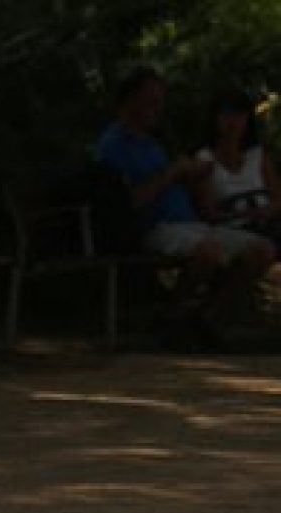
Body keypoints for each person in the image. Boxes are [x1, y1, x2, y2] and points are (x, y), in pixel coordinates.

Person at [96, 66, 275, 341]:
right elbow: (128, 201)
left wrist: (190, 175)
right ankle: (170, 315)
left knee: (261, 250)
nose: (157, 108)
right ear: (130, 100)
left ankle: (206, 316)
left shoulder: (153, 145)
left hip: (192, 224)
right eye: (151, 101)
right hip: (158, 227)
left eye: (160, 101)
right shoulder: (114, 146)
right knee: (208, 252)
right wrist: (173, 174)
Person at [194, 87, 281, 249]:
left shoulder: (258, 156)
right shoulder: (204, 160)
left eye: (239, 114)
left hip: (270, 225)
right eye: (226, 113)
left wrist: (267, 211)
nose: (233, 121)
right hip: (232, 231)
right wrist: (243, 214)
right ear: (214, 118)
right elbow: (208, 213)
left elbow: (278, 198)